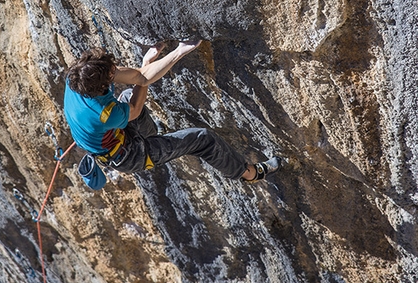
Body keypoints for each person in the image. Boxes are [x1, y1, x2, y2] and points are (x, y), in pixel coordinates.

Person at [64, 40, 280, 183]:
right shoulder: (104, 113)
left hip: (113, 138)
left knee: (130, 95)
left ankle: (156, 140)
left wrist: (145, 64)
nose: (116, 71)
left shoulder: (78, 77)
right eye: (112, 73)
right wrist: (180, 51)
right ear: (102, 84)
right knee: (203, 138)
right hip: (131, 156)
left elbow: (139, 76)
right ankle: (249, 173)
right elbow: (138, 102)